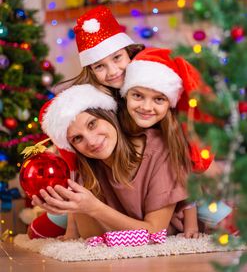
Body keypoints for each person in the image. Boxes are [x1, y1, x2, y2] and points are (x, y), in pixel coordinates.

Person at [31, 84, 190, 240]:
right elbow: (91, 236)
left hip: (166, 230)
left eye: (92, 124)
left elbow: (155, 234)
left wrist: (94, 208)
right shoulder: (86, 164)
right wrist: (79, 208)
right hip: (109, 222)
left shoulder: (159, 151)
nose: (92, 142)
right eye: (77, 138)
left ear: (109, 115)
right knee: (34, 232)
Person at [119, 47, 234, 236]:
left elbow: (188, 177)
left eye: (158, 99)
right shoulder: (117, 126)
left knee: (219, 215)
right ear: (126, 95)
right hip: (140, 198)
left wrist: (191, 225)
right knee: (59, 218)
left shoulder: (173, 131)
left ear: (169, 102)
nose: (146, 107)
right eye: (138, 95)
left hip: (181, 196)